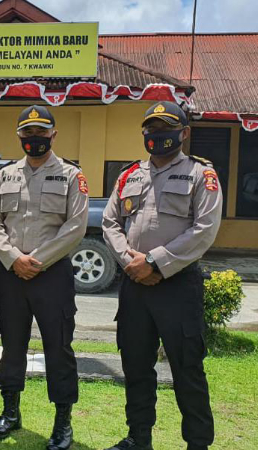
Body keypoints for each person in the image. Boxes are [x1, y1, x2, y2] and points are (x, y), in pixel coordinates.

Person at [102, 102, 222, 450]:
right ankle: (139, 438)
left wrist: (154, 262)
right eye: (151, 129)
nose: (158, 135)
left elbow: (205, 229)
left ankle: (197, 443)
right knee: (136, 366)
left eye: (166, 128)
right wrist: (131, 263)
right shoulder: (129, 175)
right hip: (134, 285)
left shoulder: (202, 175)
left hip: (178, 286)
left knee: (188, 370)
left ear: (183, 133)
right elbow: (110, 223)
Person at [0, 105, 88, 450]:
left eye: (41, 132)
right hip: (12, 273)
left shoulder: (72, 176)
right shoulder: (5, 175)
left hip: (52, 275)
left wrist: (37, 260)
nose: (34, 139)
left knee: (58, 348)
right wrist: (15, 258)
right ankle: (10, 413)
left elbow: (75, 227)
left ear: (53, 135)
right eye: (27, 133)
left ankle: (63, 423)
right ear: (19, 137)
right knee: (11, 345)